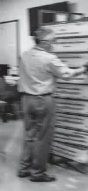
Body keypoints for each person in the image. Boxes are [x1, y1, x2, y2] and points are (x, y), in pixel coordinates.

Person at [17, 27, 88, 182]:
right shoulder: (49, 58)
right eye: (53, 40)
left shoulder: (24, 55)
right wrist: (84, 69)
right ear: (44, 42)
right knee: (42, 138)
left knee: (29, 135)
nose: (54, 44)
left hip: (26, 99)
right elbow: (66, 74)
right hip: (42, 100)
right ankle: (37, 173)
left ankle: (23, 168)